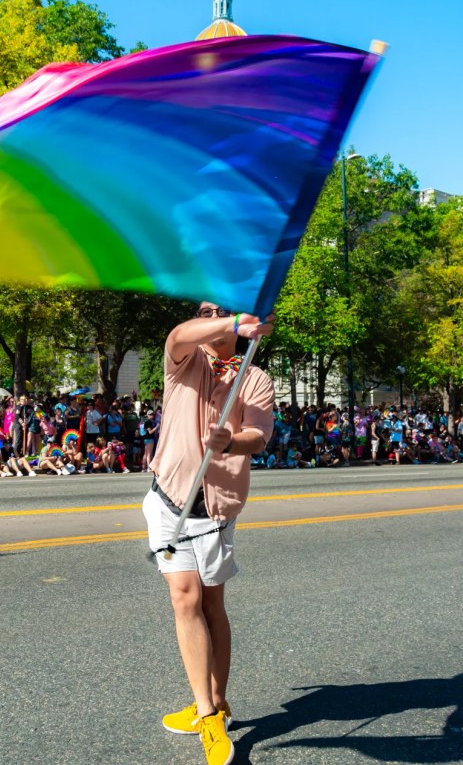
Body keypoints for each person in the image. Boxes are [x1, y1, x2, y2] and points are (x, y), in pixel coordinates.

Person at [144, 303, 274, 765]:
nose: (208, 314)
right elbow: (179, 333)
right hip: (168, 499)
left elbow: (259, 434)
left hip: (215, 509)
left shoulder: (254, 378)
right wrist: (230, 322)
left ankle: (217, 702)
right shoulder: (186, 360)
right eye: (205, 309)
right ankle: (207, 716)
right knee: (185, 598)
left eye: (219, 309)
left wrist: (231, 442)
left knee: (212, 604)